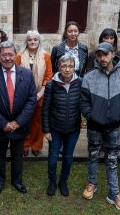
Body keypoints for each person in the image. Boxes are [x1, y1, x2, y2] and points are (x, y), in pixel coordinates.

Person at [81, 42, 120, 212]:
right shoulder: (89, 76)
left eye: (105, 54)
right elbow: (83, 101)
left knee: (112, 160)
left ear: (113, 54)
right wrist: (90, 116)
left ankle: (114, 194)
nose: (102, 58)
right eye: (99, 55)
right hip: (94, 126)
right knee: (93, 155)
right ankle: (92, 183)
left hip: (114, 127)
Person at [0, 41, 37, 195]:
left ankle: (17, 181)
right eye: (4, 55)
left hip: (19, 125)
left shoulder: (26, 74)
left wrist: (18, 122)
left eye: (10, 54)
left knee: (17, 155)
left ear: (16, 55)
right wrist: (3, 123)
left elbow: (31, 99)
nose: (7, 58)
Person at [42, 54, 82, 197]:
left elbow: (83, 104)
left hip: (73, 129)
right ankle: (52, 181)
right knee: (53, 157)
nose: (67, 69)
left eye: (70, 66)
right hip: (55, 128)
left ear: (74, 68)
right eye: (64, 66)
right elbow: (45, 108)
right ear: (59, 67)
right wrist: (46, 129)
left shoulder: (80, 83)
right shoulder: (51, 84)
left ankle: (63, 181)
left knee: (68, 157)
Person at [15, 30, 52, 157]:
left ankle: (36, 145)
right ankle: (25, 145)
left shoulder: (46, 55)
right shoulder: (19, 56)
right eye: (30, 39)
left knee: (38, 121)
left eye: (35, 39)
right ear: (26, 41)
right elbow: (16, 75)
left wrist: (41, 91)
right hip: (23, 95)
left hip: (40, 94)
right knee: (25, 121)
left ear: (39, 41)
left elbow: (48, 75)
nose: (32, 42)